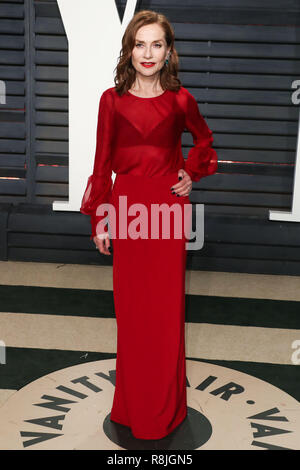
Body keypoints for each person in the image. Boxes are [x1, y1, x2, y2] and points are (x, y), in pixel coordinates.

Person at [80, 10, 218, 440]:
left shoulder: (181, 101)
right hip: (127, 209)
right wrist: (102, 219)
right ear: (129, 49)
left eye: (156, 44)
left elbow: (205, 141)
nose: (148, 53)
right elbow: (102, 163)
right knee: (132, 311)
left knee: (164, 312)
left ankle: (163, 410)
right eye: (140, 43)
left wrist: (190, 173)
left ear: (168, 52)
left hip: (167, 212)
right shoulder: (111, 100)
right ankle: (132, 405)